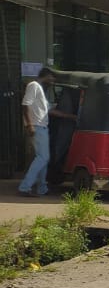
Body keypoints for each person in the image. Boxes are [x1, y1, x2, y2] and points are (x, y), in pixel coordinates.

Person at [17, 66, 56, 197]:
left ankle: (42, 188)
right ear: (46, 75)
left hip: (41, 126)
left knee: (42, 158)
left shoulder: (41, 90)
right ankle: (25, 186)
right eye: (52, 77)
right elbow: (25, 104)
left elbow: (49, 111)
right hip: (37, 126)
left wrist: (71, 116)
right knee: (43, 158)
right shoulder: (34, 85)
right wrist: (29, 125)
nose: (53, 80)